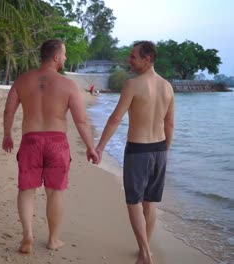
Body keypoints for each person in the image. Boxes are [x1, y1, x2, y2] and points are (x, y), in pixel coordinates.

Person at [2, 39, 99, 254]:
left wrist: (7, 134)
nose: (65, 58)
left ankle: (27, 236)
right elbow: (81, 121)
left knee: (26, 190)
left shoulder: (22, 81)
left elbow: (8, 111)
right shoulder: (68, 85)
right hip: (57, 143)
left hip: (31, 141)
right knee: (55, 192)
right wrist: (90, 147)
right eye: (64, 55)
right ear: (56, 57)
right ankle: (53, 239)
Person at [95, 41, 175, 264]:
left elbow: (116, 118)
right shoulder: (168, 87)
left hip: (138, 149)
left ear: (146, 59)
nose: (129, 60)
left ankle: (145, 253)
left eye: (133, 56)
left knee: (134, 202)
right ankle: (144, 250)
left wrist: (100, 146)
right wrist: (165, 150)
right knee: (150, 202)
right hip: (160, 149)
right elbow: (170, 124)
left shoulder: (133, 85)